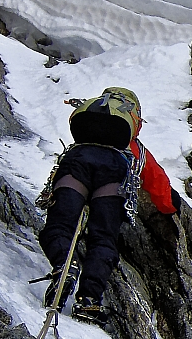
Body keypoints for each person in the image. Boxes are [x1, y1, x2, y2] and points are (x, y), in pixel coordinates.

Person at [38, 86, 175, 321]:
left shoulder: (89, 128)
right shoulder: (135, 149)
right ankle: (88, 301)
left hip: (77, 162)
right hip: (114, 175)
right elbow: (158, 182)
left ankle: (63, 265)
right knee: (103, 239)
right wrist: (170, 207)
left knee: (60, 226)